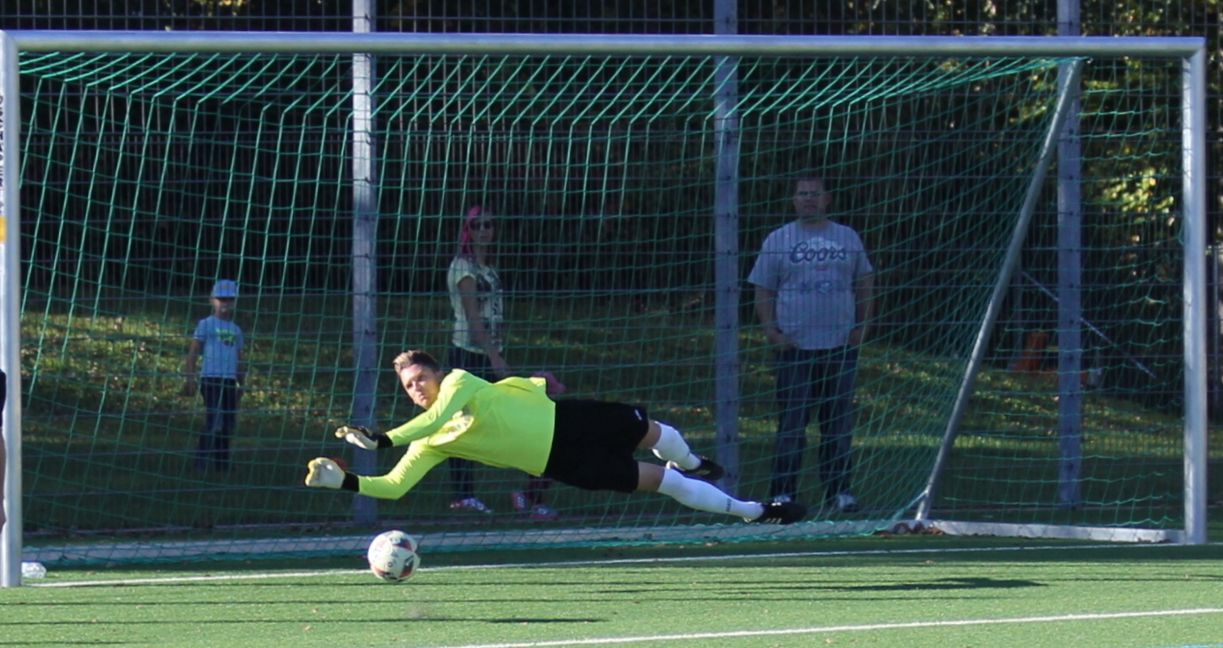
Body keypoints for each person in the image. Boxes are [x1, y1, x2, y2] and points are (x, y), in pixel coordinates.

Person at [303, 350, 807, 525]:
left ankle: (694, 461)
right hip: (563, 464)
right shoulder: (431, 439)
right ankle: (756, 511)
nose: (416, 388)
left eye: (420, 378)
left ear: (438, 373)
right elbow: (394, 486)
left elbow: (435, 419)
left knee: (656, 432)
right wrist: (342, 483)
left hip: (568, 420)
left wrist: (382, 439)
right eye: (408, 386)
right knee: (664, 484)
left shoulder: (459, 383)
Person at [748, 174, 874, 513]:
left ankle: (840, 492)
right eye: (802, 194)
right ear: (793, 200)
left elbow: (865, 282)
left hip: (839, 348)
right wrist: (771, 331)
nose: (808, 199)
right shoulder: (778, 239)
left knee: (837, 425)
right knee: (792, 424)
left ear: (827, 199)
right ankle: (783, 492)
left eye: (814, 194)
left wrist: (862, 326)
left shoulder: (847, 237)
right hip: (794, 350)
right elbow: (763, 288)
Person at [445, 205, 556, 519]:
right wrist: (495, 358)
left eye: (489, 225)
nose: (484, 230)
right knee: (464, 425)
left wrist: (497, 349)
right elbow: (473, 318)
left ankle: (529, 495)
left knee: (528, 421)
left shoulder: (489, 268)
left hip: (490, 352)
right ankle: (463, 496)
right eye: (477, 225)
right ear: (467, 230)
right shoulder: (463, 266)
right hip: (468, 356)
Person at [183, 279, 246, 473]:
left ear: (234, 301)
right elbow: (193, 352)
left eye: (229, 299)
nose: (225, 303)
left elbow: (240, 359)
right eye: (221, 299)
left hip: (229, 381)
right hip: (211, 379)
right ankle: (200, 462)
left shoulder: (236, 330)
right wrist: (190, 377)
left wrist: (242, 383)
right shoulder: (206, 324)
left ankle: (222, 464)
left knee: (227, 423)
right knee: (214, 420)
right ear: (212, 300)